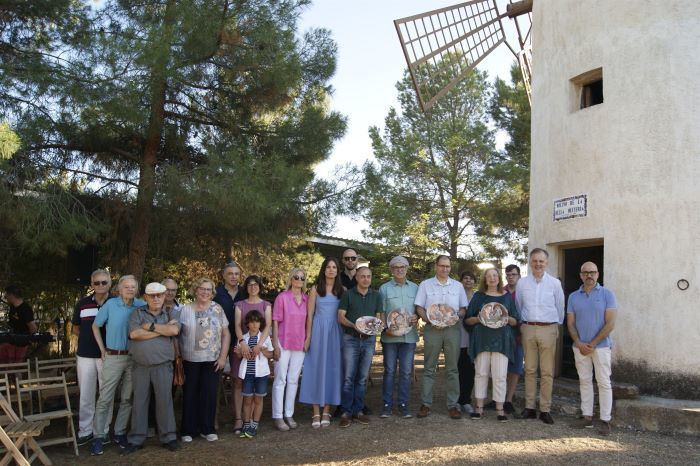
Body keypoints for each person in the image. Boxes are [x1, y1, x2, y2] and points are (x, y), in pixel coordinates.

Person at [123, 283, 181, 454]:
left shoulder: (172, 312)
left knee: (165, 401)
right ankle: (136, 439)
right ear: (145, 297)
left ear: (164, 296)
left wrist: (149, 327)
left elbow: (174, 331)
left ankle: (168, 437)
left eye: (159, 295)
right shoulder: (136, 313)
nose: (156, 298)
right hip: (140, 366)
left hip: (163, 365)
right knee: (139, 402)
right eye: (152, 295)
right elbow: (134, 334)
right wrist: (162, 330)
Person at [91, 275, 146, 455]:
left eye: (133, 287)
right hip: (113, 357)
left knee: (127, 398)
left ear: (136, 289)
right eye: (126, 287)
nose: (130, 289)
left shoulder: (140, 305)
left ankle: (120, 432)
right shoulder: (110, 304)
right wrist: (102, 349)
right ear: (119, 289)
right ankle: (98, 436)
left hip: (133, 358)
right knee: (105, 398)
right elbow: (95, 326)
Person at [175, 278, 230, 443]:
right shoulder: (185, 310)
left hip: (212, 360)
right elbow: (176, 335)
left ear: (212, 292)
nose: (205, 292)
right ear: (195, 290)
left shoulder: (217, 309)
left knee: (209, 394)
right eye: (202, 289)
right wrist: (178, 357)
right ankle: (188, 430)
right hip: (189, 360)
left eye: (208, 289)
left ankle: (207, 429)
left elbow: (226, 334)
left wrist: (222, 357)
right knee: (190, 394)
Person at [414, 255, 469, 420]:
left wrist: (454, 316)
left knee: (452, 369)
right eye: (442, 266)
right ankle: (426, 404)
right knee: (429, 368)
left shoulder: (458, 286)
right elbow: (419, 307)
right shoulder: (425, 285)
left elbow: (463, 309)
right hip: (432, 330)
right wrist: (428, 319)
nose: (445, 269)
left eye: (448, 266)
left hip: (452, 330)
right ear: (436, 267)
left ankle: (452, 405)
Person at [567, 262, 617, 436]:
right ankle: (587, 417)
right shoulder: (573, 297)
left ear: (598, 274)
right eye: (585, 272)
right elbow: (570, 323)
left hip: (601, 346)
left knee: (603, 382)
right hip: (579, 347)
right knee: (585, 381)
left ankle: (605, 420)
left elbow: (610, 323)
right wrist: (579, 343)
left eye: (592, 272)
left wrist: (593, 342)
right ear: (581, 275)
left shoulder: (607, 294)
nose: (589, 275)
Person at [516, 248, 565, 425]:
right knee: (529, 369)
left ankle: (545, 409)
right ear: (530, 262)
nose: (538, 264)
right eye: (535, 261)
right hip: (528, 328)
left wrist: (554, 326)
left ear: (547, 263)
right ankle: (529, 408)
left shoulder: (554, 284)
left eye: (541, 261)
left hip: (548, 329)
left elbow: (560, 307)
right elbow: (519, 305)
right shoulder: (522, 283)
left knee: (547, 372)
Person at [464, 268, 520, 421]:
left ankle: (500, 409)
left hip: (501, 341)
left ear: (499, 278)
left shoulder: (507, 297)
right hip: (482, 340)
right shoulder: (478, 296)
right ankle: (479, 407)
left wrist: (506, 318)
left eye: (495, 275)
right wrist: (478, 318)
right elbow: (467, 320)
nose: (492, 278)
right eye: (489, 276)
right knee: (481, 373)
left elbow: (515, 320)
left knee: (500, 376)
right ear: (485, 279)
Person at [299, 257, 344, 428]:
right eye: (328, 267)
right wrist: (308, 336)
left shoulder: (343, 290)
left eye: (334, 267)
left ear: (337, 270)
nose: (331, 270)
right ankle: (316, 411)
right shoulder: (316, 289)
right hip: (318, 331)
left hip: (335, 332)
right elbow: (309, 314)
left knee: (333, 369)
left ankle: (327, 410)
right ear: (323, 270)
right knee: (315, 368)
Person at [71, 270, 114, 445]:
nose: (101, 286)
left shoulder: (116, 303)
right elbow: (75, 328)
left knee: (106, 395)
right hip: (85, 355)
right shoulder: (82, 304)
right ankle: (85, 430)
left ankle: (102, 431)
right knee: (86, 395)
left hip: (109, 356)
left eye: (104, 282)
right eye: (97, 283)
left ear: (110, 283)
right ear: (91, 285)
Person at [337, 266, 383, 428]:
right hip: (351, 339)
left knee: (362, 378)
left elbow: (378, 318)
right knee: (349, 377)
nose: (365, 279)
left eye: (368, 276)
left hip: (369, 340)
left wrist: (376, 327)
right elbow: (340, 316)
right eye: (362, 276)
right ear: (356, 278)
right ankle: (346, 412)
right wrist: (354, 326)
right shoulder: (348, 294)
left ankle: (358, 411)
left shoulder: (377, 296)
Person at [231, 275, 272, 435]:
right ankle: (240, 420)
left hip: (259, 345)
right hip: (243, 344)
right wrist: (243, 343)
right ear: (246, 287)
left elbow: (268, 325)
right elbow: (237, 325)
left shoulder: (266, 305)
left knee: (257, 389)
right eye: (249, 285)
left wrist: (259, 345)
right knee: (239, 382)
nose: (253, 287)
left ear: (260, 287)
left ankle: (253, 423)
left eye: (255, 284)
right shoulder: (240, 305)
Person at [379, 256, 418, 419]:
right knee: (389, 371)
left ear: (407, 268)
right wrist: (385, 327)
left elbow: (419, 310)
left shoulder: (416, 288)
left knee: (406, 372)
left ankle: (403, 405)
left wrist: (417, 316)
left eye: (402, 267)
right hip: (389, 338)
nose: (399, 269)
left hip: (409, 338)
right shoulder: (384, 289)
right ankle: (386, 406)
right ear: (391, 270)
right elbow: (380, 313)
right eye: (396, 267)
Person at [271, 268, 308, 431]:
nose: (299, 279)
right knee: (280, 379)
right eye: (296, 277)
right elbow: (275, 321)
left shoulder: (307, 299)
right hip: (283, 342)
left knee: (293, 379)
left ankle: (289, 414)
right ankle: (278, 416)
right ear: (290, 278)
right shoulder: (282, 297)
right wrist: (274, 344)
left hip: (300, 344)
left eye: (302, 277)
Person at [212, 262, 245, 427]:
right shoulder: (216, 293)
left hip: (239, 342)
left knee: (238, 379)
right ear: (223, 275)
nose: (234, 276)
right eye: (230, 273)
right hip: (218, 341)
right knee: (215, 381)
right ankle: (213, 417)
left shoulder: (244, 293)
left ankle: (238, 418)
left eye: (237, 274)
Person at [236, 310, 273, 438]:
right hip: (247, 374)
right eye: (252, 321)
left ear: (260, 323)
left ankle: (255, 424)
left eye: (257, 321)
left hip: (261, 374)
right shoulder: (243, 339)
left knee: (258, 399)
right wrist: (238, 352)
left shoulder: (265, 337)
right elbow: (240, 356)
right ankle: (246, 423)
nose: (254, 324)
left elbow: (271, 354)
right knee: (247, 400)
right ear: (247, 324)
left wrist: (264, 351)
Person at [1, 285, 38, 364]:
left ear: (12, 295)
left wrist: (27, 340)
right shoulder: (12, 307)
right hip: (12, 341)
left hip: (22, 344)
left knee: (17, 367)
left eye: (6, 294)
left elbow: (33, 328)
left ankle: (17, 374)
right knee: (7, 363)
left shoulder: (25, 309)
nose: (5, 296)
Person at [503, 264, 523, 414]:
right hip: (502, 336)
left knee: (515, 369)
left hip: (519, 335)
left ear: (519, 276)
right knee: (501, 369)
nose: (511, 277)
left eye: (513, 274)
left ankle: (508, 400)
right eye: (508, 274)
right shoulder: (500, 292)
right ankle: (499, 399)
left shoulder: (524, 292)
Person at [457, 271, 476, 414]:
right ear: (461, 281)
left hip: (473, 340)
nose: (468, 281)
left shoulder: (477, 297)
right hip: (457, 338)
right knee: (456, 370)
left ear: (474, 282)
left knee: (469, 371)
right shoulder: (456, 295)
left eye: (471, 278)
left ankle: (466, 400)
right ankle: (456, 400)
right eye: (465, 278)